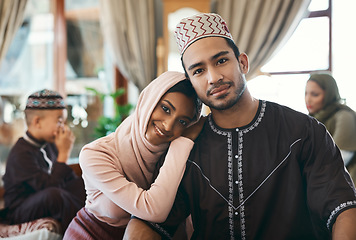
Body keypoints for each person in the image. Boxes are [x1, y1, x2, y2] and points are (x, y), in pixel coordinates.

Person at [124, 13, 356, 240]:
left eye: (221, 61)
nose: (213, 77)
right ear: (192, 83)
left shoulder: (304, 131)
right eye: (199, 71)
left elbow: (342, 208)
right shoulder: (185, 148)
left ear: (242, 63)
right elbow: (150, 222)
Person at [63, 71, 204, 239]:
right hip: (91, 235)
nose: (168, 125)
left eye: (183, 122)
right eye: (165, 109)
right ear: (149, 101)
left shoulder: (178, 157)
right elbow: (154, 210)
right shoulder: (95, 154)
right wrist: (183, 141)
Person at [1, 89, 86, 234]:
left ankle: (100, 222)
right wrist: (64, 154)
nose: (63, 127)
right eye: (59, 121)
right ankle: (83, 231)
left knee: (82, 184)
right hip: (20, 209)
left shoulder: (50, 145)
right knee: (54, 196)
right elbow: (49, 187)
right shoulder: (20, 154)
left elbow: (66, 180)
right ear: (37, 122)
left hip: (44, 196)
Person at [305, 73, 356, 180]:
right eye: (306, 93)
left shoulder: (344, 116)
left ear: (329, 94)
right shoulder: (312, 120)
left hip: (345, 183)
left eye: (315, 94)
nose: (308, 99)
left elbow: (340, 158)